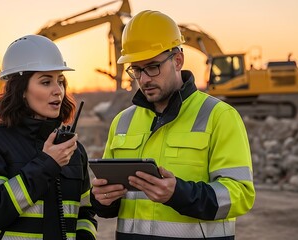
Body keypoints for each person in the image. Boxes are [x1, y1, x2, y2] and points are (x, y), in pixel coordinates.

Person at [90, 10, 255, 239]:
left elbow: (241, 195)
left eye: (153, 67)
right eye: (137, 69)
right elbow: (115, 203)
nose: (145, 79)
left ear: (178, 60)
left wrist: (179, 193)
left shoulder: (219, 116)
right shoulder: (122, 122)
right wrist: (101, 200)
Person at [0, 35, 97, 240]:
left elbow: (85, 213)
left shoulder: (73, 149)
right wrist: (47, 165)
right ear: (21, 90)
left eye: (60, 81)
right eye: (46, 82)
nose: (58, 91)